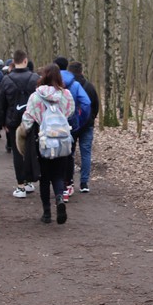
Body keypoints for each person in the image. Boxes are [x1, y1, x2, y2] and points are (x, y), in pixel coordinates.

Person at [20, 63, 74, 224]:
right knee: (58, 175)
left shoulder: (35, 96)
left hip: (42, 141)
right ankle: (59, 198)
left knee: (44, 178)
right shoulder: (66, 95)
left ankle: (47, 213)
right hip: (62, 141)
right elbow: (71, 112)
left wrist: (24, 132)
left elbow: (28, 119)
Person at [53, 56, 92, 202]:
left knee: (53, 153)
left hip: (52, 125)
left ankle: (55, 185)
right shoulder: (75, 85)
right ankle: (67, 185)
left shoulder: (49, 84)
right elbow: (86, 103)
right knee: (68, 154)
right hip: (70, 124)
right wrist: (79, 119)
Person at [1, 50, 39, 198]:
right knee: (30, 150)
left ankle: (21, 186)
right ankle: (29, 181)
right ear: (25, 60)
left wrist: (3, 122)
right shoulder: (35, 78)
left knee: (17, 152)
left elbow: (2, 102)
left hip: (13, 119)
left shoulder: (6, 79)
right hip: (32, 119)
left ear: (13, 61)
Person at [68, 60, 99, 193]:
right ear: (81, 71)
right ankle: (84, 183)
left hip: (71, 125)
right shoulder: (90, 87)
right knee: (86, 153)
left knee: (69, 153)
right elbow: (95, 106)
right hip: (87, 125)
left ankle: (69, 181)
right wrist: (91, 118)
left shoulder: (67, 87)